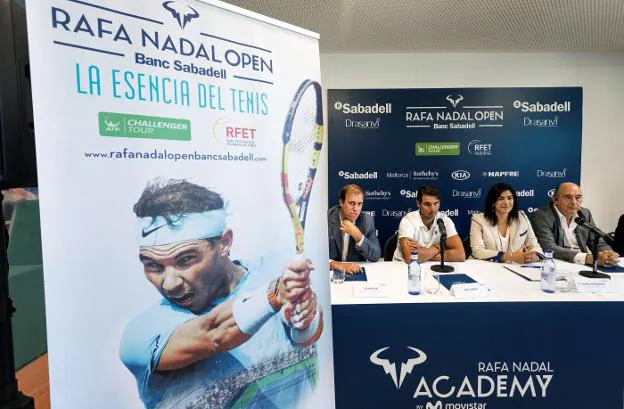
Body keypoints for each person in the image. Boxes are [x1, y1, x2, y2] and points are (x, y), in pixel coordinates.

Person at [120, 180, 323, 409]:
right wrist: (274, 294)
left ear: (225, 243)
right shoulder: (142, 334)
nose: (170, 283)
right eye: (154, 266)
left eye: (186, 259)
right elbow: (215, 334)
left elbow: (308, 342)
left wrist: (305, 320)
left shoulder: (276, 267)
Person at [531, 182, 619, 267]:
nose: (574, 202)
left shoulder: (585, 213)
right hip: (559, 263)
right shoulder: (542, 216)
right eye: (568, 197)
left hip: (583, 264)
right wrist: (587, 258)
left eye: (578, 197)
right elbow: (548, 247)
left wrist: (608, 255)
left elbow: (598, 242)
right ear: (555, 200)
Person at [470, 183, 542, 263]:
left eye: (509, 198)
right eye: (501, 199)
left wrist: (535, 256)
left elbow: (534, 245)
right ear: (493, 202)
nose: (506, 202)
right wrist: (510, 257)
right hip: (485, 268)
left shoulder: (522, 218)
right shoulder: (478, 219)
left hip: (514, 269)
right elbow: (478, 251)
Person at [392, 185, 465, 263]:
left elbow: (460, 255)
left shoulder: (444, 220)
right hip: (402, 266)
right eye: (427, 204)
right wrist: (437, 249)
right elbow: (410, 257)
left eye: (436, 203)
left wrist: (423, 253)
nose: (432, 209)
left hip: (432, 265)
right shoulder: (408, 220)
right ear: (418, 203)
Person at [328, 184, 381, 274]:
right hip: (329, 274)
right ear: (341, 202)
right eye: (351, 203)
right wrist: (335, 264)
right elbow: (313, 255)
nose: (356, 209)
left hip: (355, 273)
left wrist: (357, 235)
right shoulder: (326, 219)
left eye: (359, 204)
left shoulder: (367, 221)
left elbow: (375, 256)